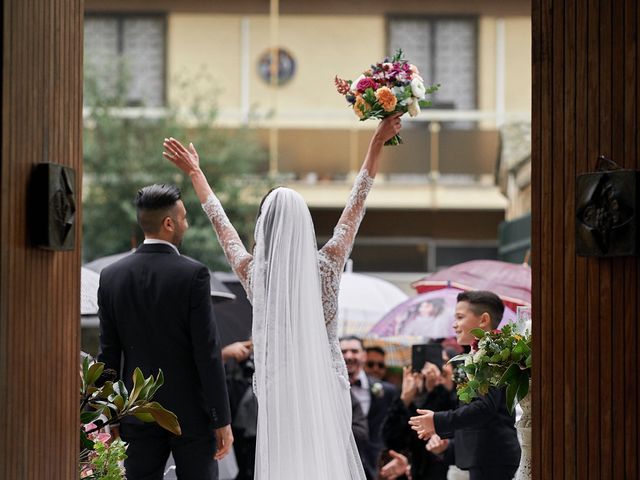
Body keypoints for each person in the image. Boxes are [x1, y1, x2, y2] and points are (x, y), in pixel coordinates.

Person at [163, 115, 402, 480]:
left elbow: (219, 220)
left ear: (264, 226)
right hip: (326, 388)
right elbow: (358, 201)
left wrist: (196, 173)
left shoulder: (255, 275)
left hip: (282, 396)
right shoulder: (329, 263)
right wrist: (376, 142)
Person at [97, 184, 233, 480]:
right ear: (169, 223)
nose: (186, 224)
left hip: (136, 410)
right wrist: (221, 419)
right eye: (183, 218)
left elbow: (108, 353)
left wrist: (111, 413)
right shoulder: (194, 274)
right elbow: (206, 351)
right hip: (191, 416)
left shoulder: (110, 277)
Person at [408, 291, 521, 480]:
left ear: (483, 320)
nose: (454, 324)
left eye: (460, 317)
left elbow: (484, 408)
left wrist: (438, 421)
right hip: (485, 456)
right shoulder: (480, 353)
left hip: (491, 456)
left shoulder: (490, 354)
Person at [340, 335, 398, 479]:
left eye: (354, 351)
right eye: (344, 351)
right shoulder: (330, 390)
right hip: (341, 464)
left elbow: (394, 429)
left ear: (364, 355)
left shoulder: (386, 391)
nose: (349, 356)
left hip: (375, 466)